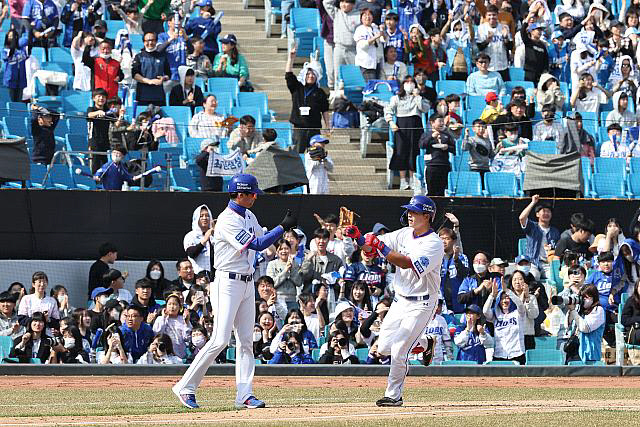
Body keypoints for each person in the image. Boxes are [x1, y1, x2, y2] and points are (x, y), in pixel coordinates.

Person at [172, 173, 297, 410]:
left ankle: (245, 394)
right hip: (227, 282)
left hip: (247, 281)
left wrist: (282, 238)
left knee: (246, 341)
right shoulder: (227, 219)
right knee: (219, 339)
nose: (254, 197)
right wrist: (283, 226)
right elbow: (257, 244)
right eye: (251, 194)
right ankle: (185, 386)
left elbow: (264, 243)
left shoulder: (249, 215)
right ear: (239, 194)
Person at [343, 195, 443, 406]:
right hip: (400, 300)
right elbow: (371, 249)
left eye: (414, 212)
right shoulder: (405, 233)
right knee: (383, 349)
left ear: (427, 216)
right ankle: (425, 343)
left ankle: (393, 395)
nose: (409, 215)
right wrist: (360, 238)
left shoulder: (434, 243)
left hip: (422, 303)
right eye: (409, 211)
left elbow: (407, 263)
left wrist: (380, 245)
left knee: (399, 350)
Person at [385, 75, 430, 191]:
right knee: (401, 151)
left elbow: (425, 109)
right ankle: (402, 181)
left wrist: (418, 96)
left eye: (411, 82)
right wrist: (391, 123)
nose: (409, 84)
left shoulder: (419, 97)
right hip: (401, 126)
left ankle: (412, 179)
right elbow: (388, 110)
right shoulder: (396, 98)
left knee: (414, 151)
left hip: (415, 126)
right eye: (407, 82)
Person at [285, 47, 330, 153]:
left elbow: (325, 110)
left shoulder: (320, 92)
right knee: (297, 154)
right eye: (308, 74)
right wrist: (291, 59)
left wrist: (328, 126)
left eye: (313, 74)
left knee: (315, 154)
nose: (311, 76)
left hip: (314, 129)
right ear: (305, 75)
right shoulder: (297, 87)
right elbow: (288, 75)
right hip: (299, 128)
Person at [483, 281, 526, 364]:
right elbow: (485, 311)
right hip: (499, 355)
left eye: (507, 298)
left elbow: (520, 304)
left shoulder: (518, 313)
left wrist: (508, 291)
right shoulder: (495, 314)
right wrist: (492, 295)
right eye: (502, 298)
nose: (505, 301)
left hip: (517, 354)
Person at [519, 195, 561, 280]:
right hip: (532, 262)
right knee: (534, 276)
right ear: (537, 214)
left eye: (549, 212)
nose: (546, 213)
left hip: (548, 264)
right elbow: (522, 218)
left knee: (555, 277)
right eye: (544, 211)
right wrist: (533, 202)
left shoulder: (555, 231)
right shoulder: (532, 226)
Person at [322, 0, 360, 91]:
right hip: (339, 48)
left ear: (353, 4)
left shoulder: (359, 15)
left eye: (347, 2)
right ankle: (337, 96)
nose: (343, 4)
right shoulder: (336, 13)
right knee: (338, 75)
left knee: (353, 74)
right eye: (342, 2)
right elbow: (326, 2)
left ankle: (353, 97)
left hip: (353, 49)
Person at [566, 284, 605, 363]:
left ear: (594, 298)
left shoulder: (598, 310)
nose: (584, 300)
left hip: (590, 354)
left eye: (586, 297)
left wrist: (574, 311)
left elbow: (585, 328)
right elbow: (567, 325)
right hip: (574, 350)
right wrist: (571, 309)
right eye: (582, 297)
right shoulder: (578, 309)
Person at [420, 113, 456, 196]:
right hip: (431, 165)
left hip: (444, 165)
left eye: (442, 121)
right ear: (432, 123)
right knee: (431, 191)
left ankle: (441, 208)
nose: (442, 123)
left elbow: (454, 149)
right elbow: (421, 145)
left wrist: (447, 147)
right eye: (439, 121)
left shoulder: (447, 135)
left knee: (441, 191)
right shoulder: (427, 134)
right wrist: (431, 137)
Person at [300, 228, 344, 294]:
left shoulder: (336, 260)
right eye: (318, 238)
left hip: (330, 294)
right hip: (311, 294)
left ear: (328, 240)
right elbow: (303, 277)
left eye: (324, 238)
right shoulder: (308, 257)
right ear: (315, 240)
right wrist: (307, 260)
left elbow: (339, 276)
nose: (321, 241)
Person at [132, 32, 170, 106]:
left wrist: (163, 78)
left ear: (156, 41)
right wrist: (149, 81)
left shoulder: (162, 56)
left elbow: (168, 74)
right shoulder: (139, 56)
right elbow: (134, 74)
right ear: (144, 42)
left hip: (158, 96)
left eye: (152, 40)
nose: (150, 42)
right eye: (147, 40)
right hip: (142, 95)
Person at [476, 5, 511, 82]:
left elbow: (510, 47)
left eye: (494, 15)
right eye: (489, 15)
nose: (492, 17)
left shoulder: (504, 27)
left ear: (497, 15)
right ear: (486, 16)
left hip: (502, 66)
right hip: (488, 67)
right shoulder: (481, 28)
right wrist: (488, 40)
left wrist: (505, 37)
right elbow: (479, 48)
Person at [438, 227, 468, 314]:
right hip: (440, 305)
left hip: (459, 305)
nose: (444, 241)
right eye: (441, 238)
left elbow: (465, 274)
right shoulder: (435, 259)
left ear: (453, 241)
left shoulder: (462, 257)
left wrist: (456, 259)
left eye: (447, 238)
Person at [152, 293, 192, 359]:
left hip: (180, 353)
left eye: (175, 304)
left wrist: (187, 323)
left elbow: (187, 338)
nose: (172, 307)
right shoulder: (160, 318)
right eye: (169, 304)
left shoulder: (182, 319)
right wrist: (163, 318)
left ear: (180, 307)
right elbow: (157, 333)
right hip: (165, 353)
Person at [267, 239, 302, 310]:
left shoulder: (295, 264)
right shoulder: (272, 264)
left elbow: (299, 282)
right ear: (277, 251)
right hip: (278, 299)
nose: (284, 251)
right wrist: (285, 271)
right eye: (281, 249)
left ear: (290, 250)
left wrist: (291, 269)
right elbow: (271, 283)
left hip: (292, 300)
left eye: (286, 249)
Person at [354, 8, 385, 80]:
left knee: (377, 86)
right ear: (361, 18)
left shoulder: (375, 28)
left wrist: (382, 31)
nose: (367, 17)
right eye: (365, 15)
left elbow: (383, 40)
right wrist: (376, 37)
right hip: (366, 64)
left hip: (377, 63)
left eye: (369, 15)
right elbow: (362, 45)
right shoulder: (360, 29)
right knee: (370, 87)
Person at [184, 205, 215, 275]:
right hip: (197, 276)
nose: (204, 218)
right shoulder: (191, 236)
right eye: (201, 216)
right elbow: (192, 253)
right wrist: (204, 240)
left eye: (207, 216)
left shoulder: (215, 235)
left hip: (214, 277)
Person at [462, 120, 494, 184]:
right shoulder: (471, 139)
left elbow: (491, 155)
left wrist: (498, 149)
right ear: (473, 129)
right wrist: (466, 136)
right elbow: (464, 148)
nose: (481, 129)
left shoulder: (488, 141)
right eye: (478, 127)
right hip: (475, 168)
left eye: (483, 127)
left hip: (486, 168)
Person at [2, 29, 28, 102]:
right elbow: (6, 57)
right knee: (10, 101)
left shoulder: (22, 50)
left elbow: (26, 40)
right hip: (10, 79)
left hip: (21, 79)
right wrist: (12, 46)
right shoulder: (4, 50)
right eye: (9, 36)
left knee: (18, 102)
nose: (11, 38)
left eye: (12, 36)